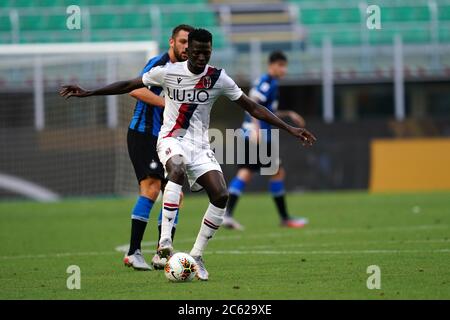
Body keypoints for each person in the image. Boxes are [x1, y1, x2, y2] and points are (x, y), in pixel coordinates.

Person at [60, 28, 317, 281]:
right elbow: (129, 84)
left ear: (210, 50)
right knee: (177, 169)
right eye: (196, 51)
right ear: (188, 51)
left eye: (206, 52)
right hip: (171, 139)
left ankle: (197, 256)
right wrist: (89, 92)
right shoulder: (168, 72)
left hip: (201, 146)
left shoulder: (218, 78)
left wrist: (289, 128)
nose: (201, 57)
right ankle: (165, 242)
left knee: (221, 194)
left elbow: (253, 107)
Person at [124, 24, 193, 270]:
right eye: (183, 42)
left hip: (166, 139)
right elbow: (135, 89)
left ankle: (161, 254)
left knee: (176, 194)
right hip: (143, 134)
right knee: (152, 188)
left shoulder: (188, 71)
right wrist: (166, 103)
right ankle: (133, 253)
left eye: (190, 43)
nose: (187, 47)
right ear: (172, 42)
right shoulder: (159, 63)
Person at [222, 51, 309, 231]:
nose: (284, 69)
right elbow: (252, 103)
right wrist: (256, 129)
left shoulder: (269, 82)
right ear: (273, 65)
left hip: (251, 133)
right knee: (276, 172)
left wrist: (289, 114)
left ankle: (226, 215)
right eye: (282, 66)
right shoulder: (267, 82)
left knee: (246, 172)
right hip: (259, 135)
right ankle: (284, 218)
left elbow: (266, 111)